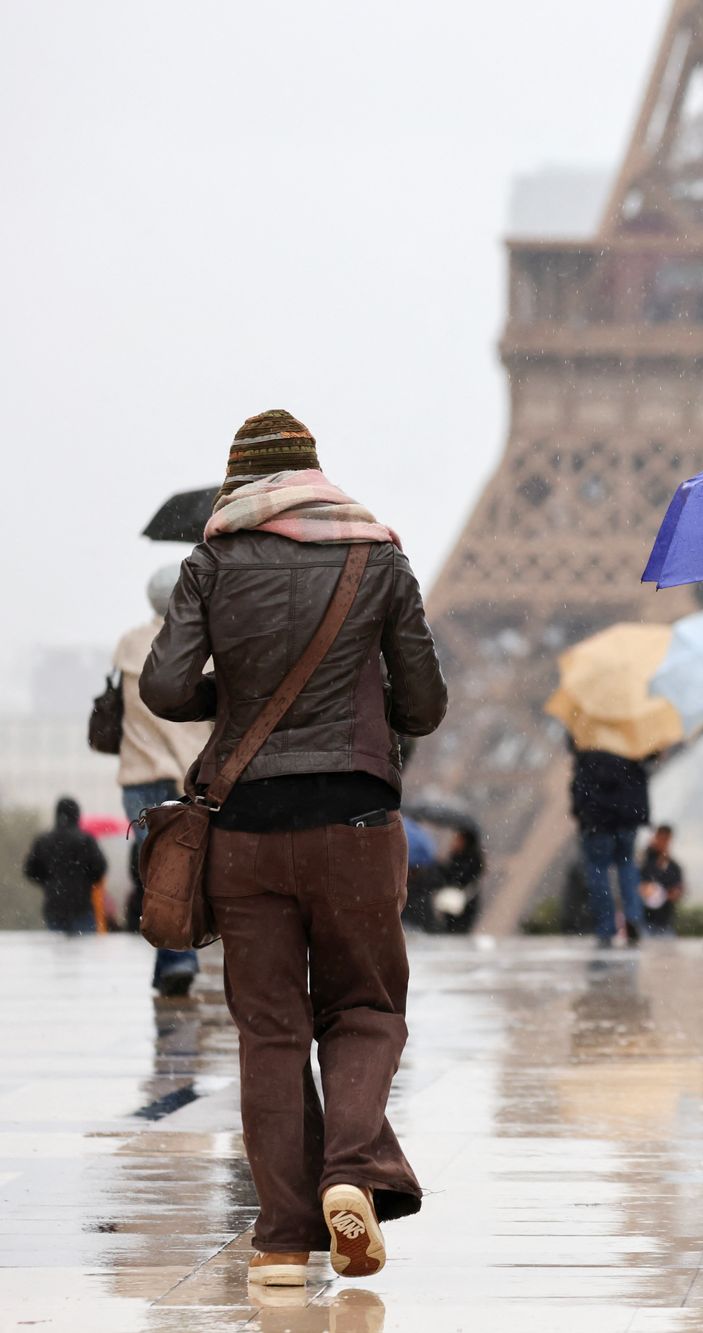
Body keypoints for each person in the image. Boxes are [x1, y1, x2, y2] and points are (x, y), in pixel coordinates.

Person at [141, 409, 446, 1287]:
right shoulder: (378, 554)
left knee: (268, 1030)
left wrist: (231, 692)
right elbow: (423, 705)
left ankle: (280, 1237)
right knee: (365, 1008)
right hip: (354, 819)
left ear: (242, 487)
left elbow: (164, 685)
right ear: (314, 476)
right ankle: (350, 1169)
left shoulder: (211, 558)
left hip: (243, 827)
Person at [114, 565, 214, 993]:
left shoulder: (128, 644)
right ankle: (179, 958)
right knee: (184, 870)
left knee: (159, 871)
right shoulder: (200, 644)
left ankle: (171, 962)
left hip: (139, 776)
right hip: (190, 774)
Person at [569, 745, 654, 948]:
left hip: (596, 811)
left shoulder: (589, 722)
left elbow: (574, 745)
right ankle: (632, 917)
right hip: (627, 809)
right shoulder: (631, 722)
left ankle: (606, 926)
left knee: (598, 869)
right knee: (627, 865)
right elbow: (651, 751)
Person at [23, 796, 107, 935]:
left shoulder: (43, 840)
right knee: (85, 954)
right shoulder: (86, 840)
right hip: (82, 905)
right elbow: (100, 867)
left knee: (57, 953)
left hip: (54, 906)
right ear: (77, 814)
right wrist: (86, 882)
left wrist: (47, 882)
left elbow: (30, 870)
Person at [638, 824, 683, 936]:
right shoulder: (645, 862)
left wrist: (665, 895)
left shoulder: (674, 867)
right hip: (644, 920)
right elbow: (637, 885)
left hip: (665, 921)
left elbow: (678, 890)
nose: (662, 842)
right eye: (660, 838)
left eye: (666, 839)